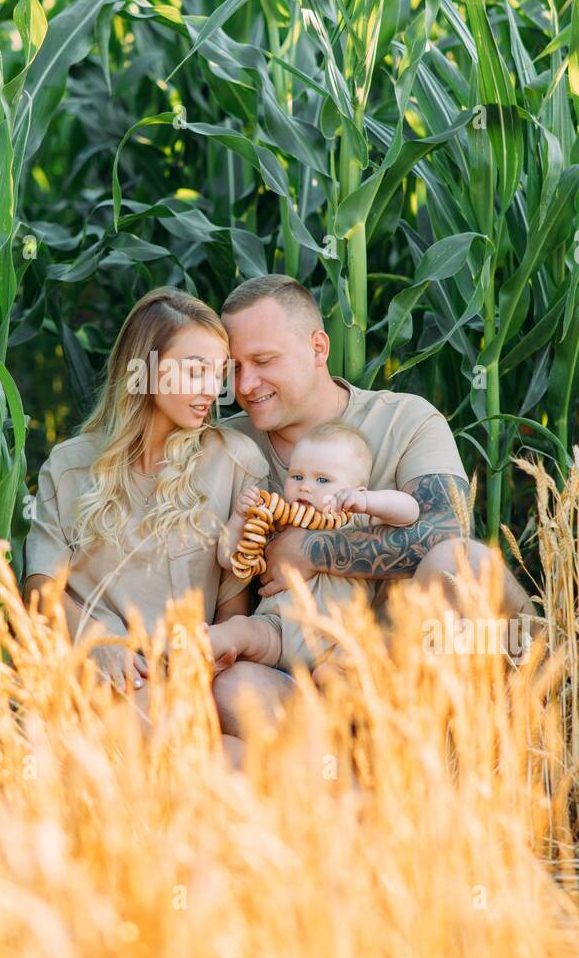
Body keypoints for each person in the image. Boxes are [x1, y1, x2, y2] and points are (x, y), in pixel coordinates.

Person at [213, 274, 537, 740]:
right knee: (234, 689)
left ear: (318, 348)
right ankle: (352, 776)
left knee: (461, 564)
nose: (246, 384)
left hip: (411, 653)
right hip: (301, 670)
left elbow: (448, 532)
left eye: (263, 361)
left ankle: (444, 727)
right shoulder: (228, 445)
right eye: (235, 367)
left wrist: (310, 551)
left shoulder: (404, 419)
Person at [22, 287, 269, 738]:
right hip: (95, 676)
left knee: (229, 756)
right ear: (145, 369)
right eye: (196, 372)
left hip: (187, 689)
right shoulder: (71, 465)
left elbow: (234, 606)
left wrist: (209, 657)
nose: (212, 391)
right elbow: (41, 588)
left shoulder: (234, 462)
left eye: (218, 374)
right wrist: (98, 641)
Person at [208, 420, 419, 682]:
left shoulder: (357, 520)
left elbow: (410, 511)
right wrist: (241, 517)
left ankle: (331, 696)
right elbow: (228, 558)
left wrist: (368, 502)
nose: (305, 486)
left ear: (355, 490)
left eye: (322, 479)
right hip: (277, 631)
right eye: (297, 476)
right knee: (241, 628)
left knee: (340, 669)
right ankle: (198, 645)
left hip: (336, 638)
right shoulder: (278, 521)